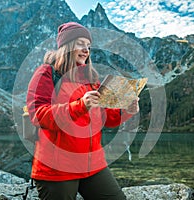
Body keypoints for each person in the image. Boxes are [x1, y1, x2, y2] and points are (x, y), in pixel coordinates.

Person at [26, 22, 139, 200]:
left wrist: (127, 111)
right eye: (80, 43)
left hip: (93, 166)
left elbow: (107, 119)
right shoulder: (46, 73)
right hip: (58, 169)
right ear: (66, 46)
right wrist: (80, 105)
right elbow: (38, 115)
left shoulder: (91, 80)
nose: (86, 50)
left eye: (88, 46)